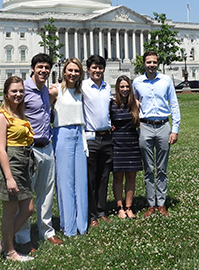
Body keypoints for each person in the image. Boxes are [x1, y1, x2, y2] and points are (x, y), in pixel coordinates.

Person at [15, 54, 63, 253]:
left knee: (46, 193)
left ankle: (47, 231)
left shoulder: (46, 90)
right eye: (40, 67)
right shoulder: (22, 90)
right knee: (26, 197)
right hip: (30, 148)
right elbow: (8, 112)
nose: (43, 70)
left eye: (46, 67)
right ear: (33, 68)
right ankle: (23, 238)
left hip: (47, 147)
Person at [132, 50, 181, 218]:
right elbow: (133, 104)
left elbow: (174, 105)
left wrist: (175, 129)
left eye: (154, 62)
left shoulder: (166, 80)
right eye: (148, 62)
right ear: (144, 63)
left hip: (163, 125)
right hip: (145, 126)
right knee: (148, 168)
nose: (151, 65)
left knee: (162, 168)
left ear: (157, 63)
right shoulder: (137, 82)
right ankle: (150, 204)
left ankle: (161, 203)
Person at [0, 76, 35, 262]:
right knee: (9, 211)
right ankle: (10, 252)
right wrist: (9, 177)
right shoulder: (2, 116)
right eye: (14, 91)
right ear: (6, 94)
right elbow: (1, 149)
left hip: (23, 162)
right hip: (11, 163)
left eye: (21, 91)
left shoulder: (19, 113)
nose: (18, 94)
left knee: (28, 208)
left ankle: (4, 241)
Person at [50, 58, 89, 237]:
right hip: (63, 134)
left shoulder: (81, 92)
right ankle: (69, 226)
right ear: (64, 71)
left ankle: (82, 224)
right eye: (70, 70)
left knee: (81, 181)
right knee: (65, 181)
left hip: (80, 134)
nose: (73, 73)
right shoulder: (55, 90)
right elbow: (37, 108)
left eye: (76, 70)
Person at [82, 55, 113, 227]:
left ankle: (102, 211)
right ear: (88, 69)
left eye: (100, 67)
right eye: (94, 67)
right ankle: (91, 215)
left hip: (107, 137)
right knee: (90, 178)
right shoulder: (83, 86)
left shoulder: (107, 87)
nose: (97, 70)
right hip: (91, 137)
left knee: (104, 177)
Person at [111, 75, 142, 219]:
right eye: (122, 87)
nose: (124, 89)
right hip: (117, 143)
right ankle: (119, 208)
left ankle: (129, 207)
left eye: (127, 86)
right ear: (117, 88)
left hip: (132, 143)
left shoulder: (135, 104)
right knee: (118, 177)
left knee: (131, 177)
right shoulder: (112, 104)